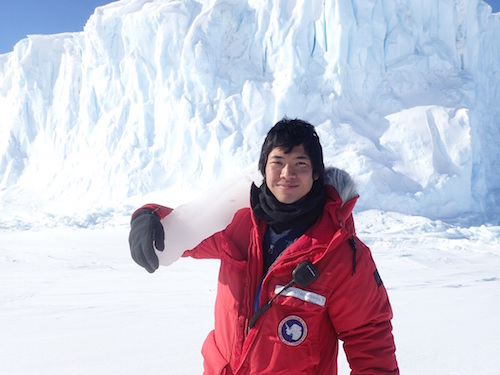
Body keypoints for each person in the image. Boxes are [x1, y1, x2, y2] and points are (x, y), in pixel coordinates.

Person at [128, 118, 399, 374]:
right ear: (264, 167)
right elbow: (186, 233)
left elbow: (368, 337)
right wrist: (149, 217)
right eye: (277, 162)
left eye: (300, 164)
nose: (287, 174)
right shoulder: (238, 223)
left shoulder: (340, 251)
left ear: (316, 172)